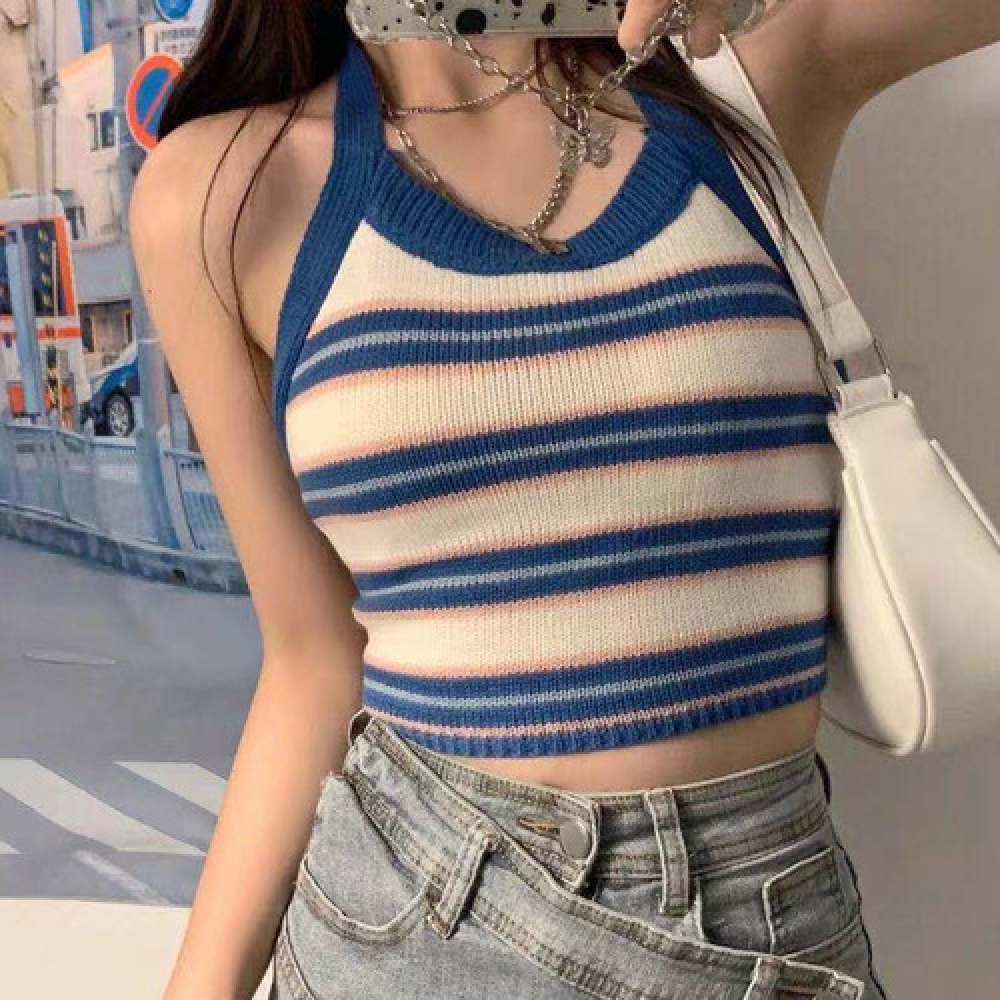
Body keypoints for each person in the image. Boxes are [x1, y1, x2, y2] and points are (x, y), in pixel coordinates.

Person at [130, 2, 1000, 998]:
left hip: (771, 917)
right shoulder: (225, 188)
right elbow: (311, 658)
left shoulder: (744, 76)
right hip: (415, 920)